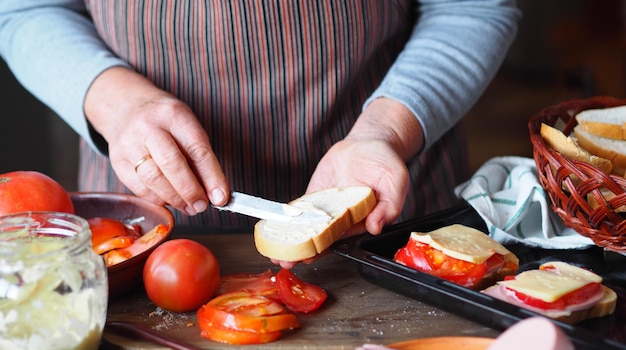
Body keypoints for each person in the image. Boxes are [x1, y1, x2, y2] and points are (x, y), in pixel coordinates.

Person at [0, 1, 519, 261]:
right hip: (145, 228)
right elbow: (24, 8)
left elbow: (471, 6)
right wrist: (117, 104)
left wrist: (386, 128)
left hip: (391, 208)